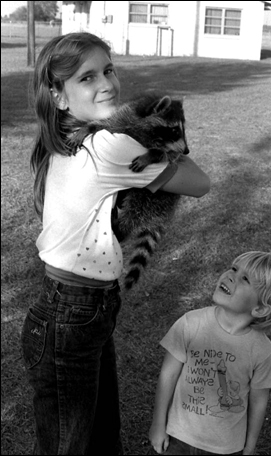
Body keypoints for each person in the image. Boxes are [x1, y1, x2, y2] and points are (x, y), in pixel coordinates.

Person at [20, 32, 210, 456]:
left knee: (98, 439)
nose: (106, 84)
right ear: (59, 96)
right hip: (74, 315)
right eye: (87, 78)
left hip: (71, 309)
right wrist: (169, 142)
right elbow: (201, 183)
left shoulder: (71, 137)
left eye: (109, 70)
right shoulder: (111, 146)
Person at [149, 251, 271, 456]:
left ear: (260, 309)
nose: (230, 275)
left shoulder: (263, 352)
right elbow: (168, 375)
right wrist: (158, 423)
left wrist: (249, 447)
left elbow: (258, 402)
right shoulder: (190, 323)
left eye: (244, 279)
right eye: (234, 268)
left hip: (226, 448)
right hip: (177, 437)